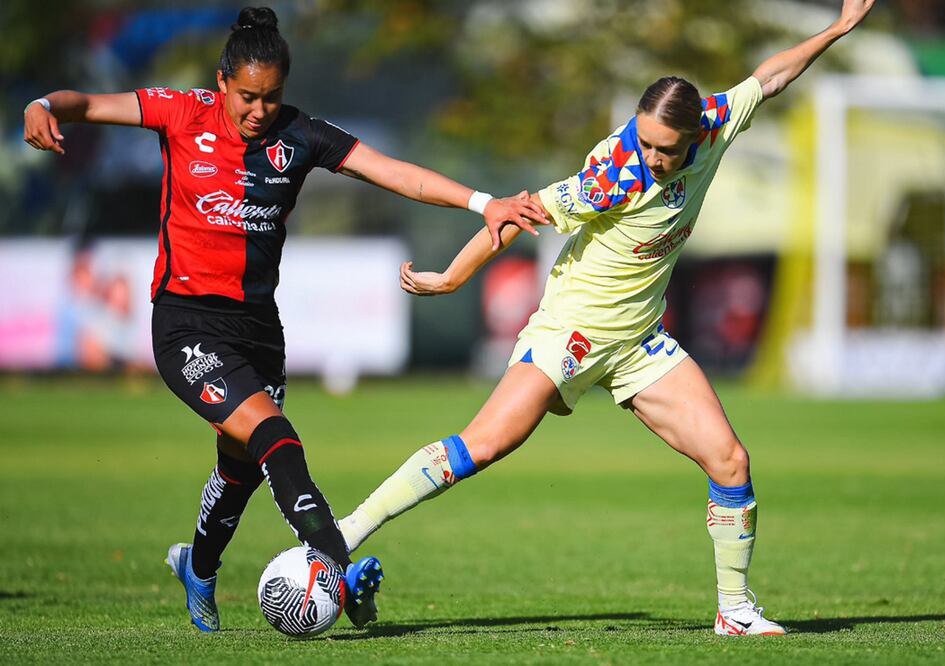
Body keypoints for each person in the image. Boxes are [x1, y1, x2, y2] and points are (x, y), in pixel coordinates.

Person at [337, 0, 875, 637]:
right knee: (484, 445)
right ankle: (340, 535)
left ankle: (734, 610)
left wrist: (837, 29)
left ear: (694, 132)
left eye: (663, 148)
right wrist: (453, 277)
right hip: (569, 331)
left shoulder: (716, 124)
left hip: (639, 342)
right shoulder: (610, 175)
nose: (649, 154)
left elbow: (773, 74)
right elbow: (516, 213)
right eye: (642, 138)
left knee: (730, 462)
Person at [23, 6, 546, 633]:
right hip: (186, 325)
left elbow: (395, 173)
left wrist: (485, 202)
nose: (258, 111)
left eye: (271, 99)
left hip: (258, 330)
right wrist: (43, 104)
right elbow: (85, 103)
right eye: (246, 97)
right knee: (276, 438)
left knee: (239, 467)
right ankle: (335, 565)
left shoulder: (301, 136)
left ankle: (200, 566)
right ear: (221, 83)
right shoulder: (180, 112)